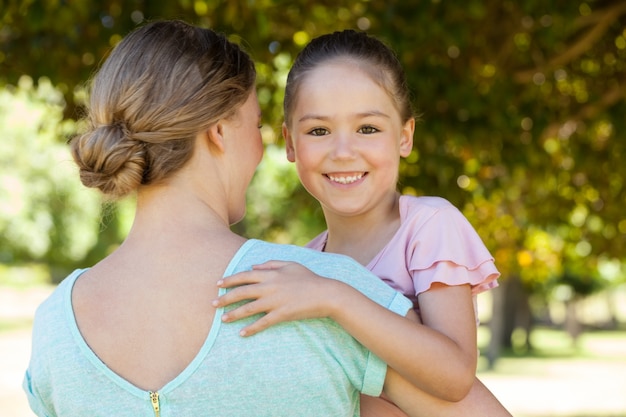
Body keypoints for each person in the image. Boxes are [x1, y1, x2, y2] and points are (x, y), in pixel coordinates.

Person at [22, 21, 424, 417]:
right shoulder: (319, 289)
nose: (261, 147)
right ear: (218, 131)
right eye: (257, 125)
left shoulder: (56, 325)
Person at [214, 30, 512, 416]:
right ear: (290, 143)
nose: (343, 151)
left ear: (404, 137)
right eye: (318, 130)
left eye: (367, 129)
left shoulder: (428, 227)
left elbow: (455, 376)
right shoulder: (305, 266)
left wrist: (334, 297)